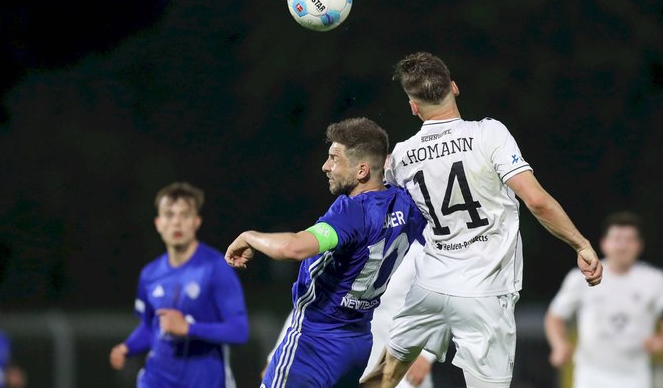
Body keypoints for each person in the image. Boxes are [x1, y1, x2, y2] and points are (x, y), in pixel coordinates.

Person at [374, 52, 603, 388]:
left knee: (382, 378)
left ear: (414, 106)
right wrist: (580, 244)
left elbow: (375, 202)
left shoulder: (402, 155)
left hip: (430, 288)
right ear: (453, 87)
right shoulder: (488, 134)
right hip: (484, 291)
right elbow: (537, 201)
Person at [225, 117, 427, 388]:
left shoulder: (352, 210)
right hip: (357, 343)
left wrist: (248, 236)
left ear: (362, 170)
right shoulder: (408, 204)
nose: (326, 166)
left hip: (314, 343)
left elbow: (292, 247)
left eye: (334, 158)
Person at [109, 182, 249, 388]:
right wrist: (127, 347)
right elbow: (151, 327)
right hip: (156, 380)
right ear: (158, 223)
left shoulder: (216, 267)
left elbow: (239, 330)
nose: (177, 222)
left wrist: (188, 328)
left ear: (196, 222)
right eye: (169, 214)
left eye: (184, 215)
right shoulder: (150, 274)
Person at [263, 242, 437, 388]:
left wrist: (427, 355)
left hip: (400, 366)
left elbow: (442, 302)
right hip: (348, 364)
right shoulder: (349, 245)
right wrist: (276, 355)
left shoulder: (422, 250)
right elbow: (312, 303)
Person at [545, 211, 663, 388]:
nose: (622, 246)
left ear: (639, 245)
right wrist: (559, 344)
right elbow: (555, 316)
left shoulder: (654, 279)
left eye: (629, 240)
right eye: (617, 239)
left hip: (635, 375)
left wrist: (662, 340)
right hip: (591, 375)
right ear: (604, 243)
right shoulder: (581, 277)